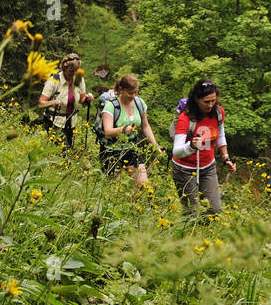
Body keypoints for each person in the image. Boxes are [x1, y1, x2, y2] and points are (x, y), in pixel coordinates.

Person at [170, 78, 236, 219]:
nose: (211, 105)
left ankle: (204, 238)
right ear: (196, 99)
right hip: (184, 169)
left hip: (208, 167)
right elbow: (176, 151)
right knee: (192, 214)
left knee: (214, 210)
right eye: (206, 101)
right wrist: (191, 146)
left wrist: (226, 157)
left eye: (213, 100)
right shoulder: (185, 118)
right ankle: (188, 238)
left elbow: (220, 135)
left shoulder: (218, 112)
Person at [98, 74, 161, 186]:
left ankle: (135, 203)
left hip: (131, 148)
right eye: (130, 93)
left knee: (143, 186)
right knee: (112, 190)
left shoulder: (139, 103)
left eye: (136, 92)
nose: (133, 96)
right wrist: (123, 129)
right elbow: (107, 131)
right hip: (111, 150)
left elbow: (145, 126)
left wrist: (155, 145)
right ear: (121, 89)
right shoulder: (111, 106)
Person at [39, 53, 91, 148]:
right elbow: (41, 102)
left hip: (71, 122)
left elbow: (82, 98)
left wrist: (87, 99)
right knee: (62, 150)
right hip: (55, 121)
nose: (74, 74)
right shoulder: (54, 81)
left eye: (76, 71)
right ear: (64, 68)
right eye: (71, 71)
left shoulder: (79, 79)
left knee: (69, 148)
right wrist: (52, 103)